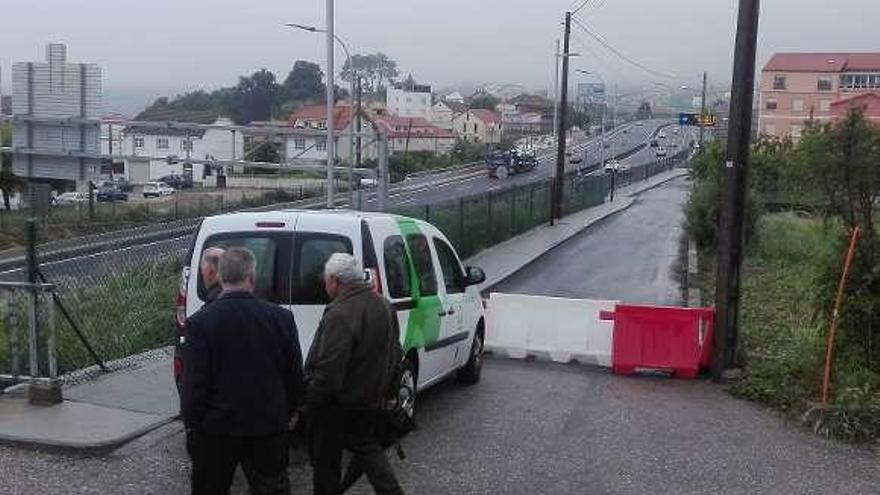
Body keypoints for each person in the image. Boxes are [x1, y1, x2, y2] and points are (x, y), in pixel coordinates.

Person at [181, 247, 303, 495]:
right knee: (271, 488)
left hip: (216, 430)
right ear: (252, 277)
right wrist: (286, 412)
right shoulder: (281, 318)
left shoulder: (200, 323)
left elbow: (194, 385)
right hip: (267, 426)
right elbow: (293, 375)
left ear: (221, 276)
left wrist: (194, 424)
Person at [306, 253, 404, 495]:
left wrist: (311, 400)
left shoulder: (340, 313)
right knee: (368, 448)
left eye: (326, 281)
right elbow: (395, 351)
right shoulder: (382, 304)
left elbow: (329, 368)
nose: (325, 285)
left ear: (335, 281)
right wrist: (388, 390)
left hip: (338, 404)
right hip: (370, 398)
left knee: (326, 465)